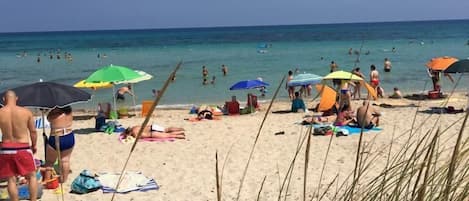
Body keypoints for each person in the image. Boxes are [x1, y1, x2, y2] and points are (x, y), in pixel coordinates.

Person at [0, 90, 38, 201]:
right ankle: (33, 199)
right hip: (23, 147)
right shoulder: (26, 112)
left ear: (3, 100)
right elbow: (33, 132)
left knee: (11, 179)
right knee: (31, 176)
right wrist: (34, 145)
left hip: (6, 148)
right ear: (16, 98)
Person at [44, 106, 74, 183]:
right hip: (68, 136)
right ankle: (63, 179)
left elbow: (48, 118)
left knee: (50, 162)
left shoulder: (54, 114)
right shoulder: (69, 112)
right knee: (65, 160)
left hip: (56, 137)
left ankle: (47, 179)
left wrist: (52, 110)